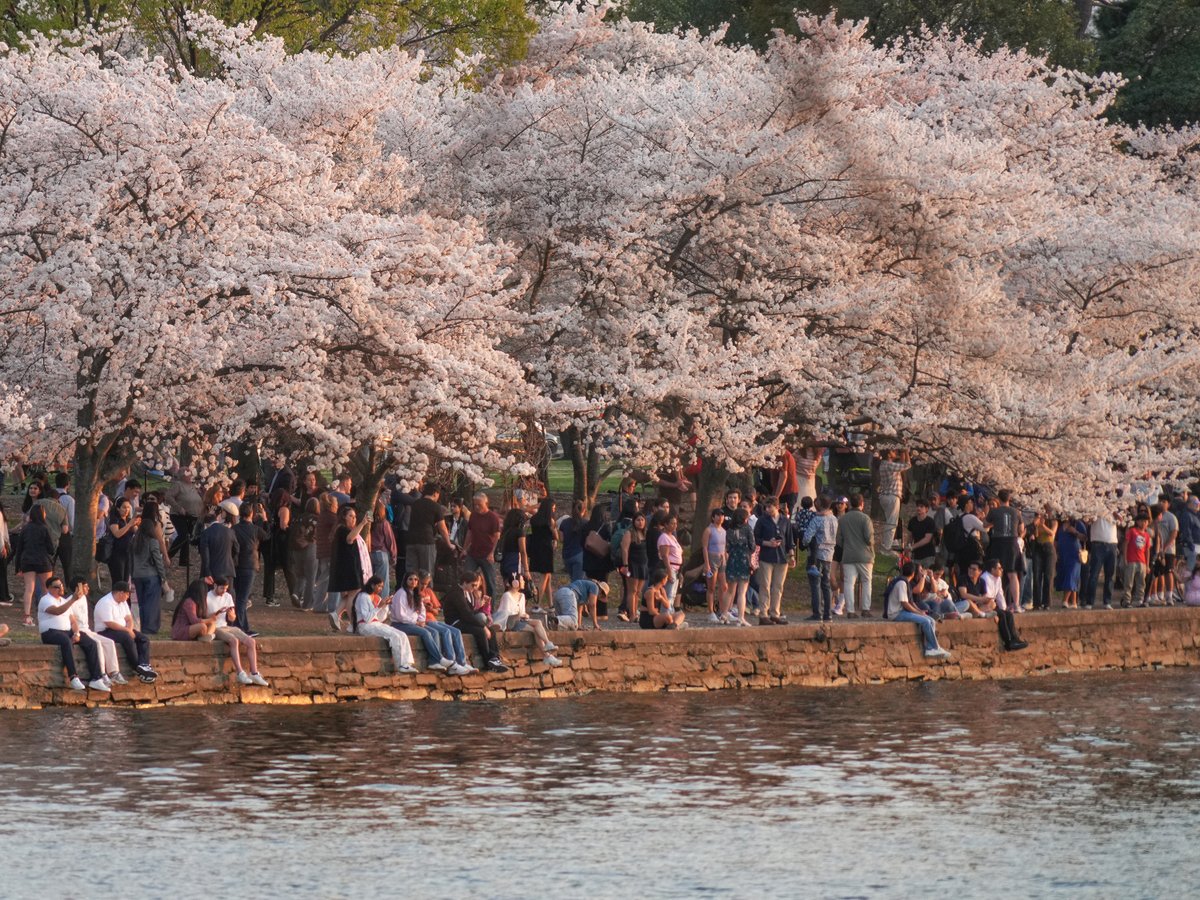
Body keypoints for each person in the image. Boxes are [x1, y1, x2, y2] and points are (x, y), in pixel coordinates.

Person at [388, 572, 468, 674]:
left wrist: (421, 620)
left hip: (413, 623)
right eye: (410, 579)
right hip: (400, 624)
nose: (413, 582)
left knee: (434, 632)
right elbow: (400, 615)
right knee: (425, 633)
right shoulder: (401, 593)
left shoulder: (416, 593)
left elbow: (422, 611)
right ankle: (440, 658)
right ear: (405, 581)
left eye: (415, 580)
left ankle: (433, 662)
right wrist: (415, 622)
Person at [39, 576, 108, 692]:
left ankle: (96, 678)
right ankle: (73, 676)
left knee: (91, 643)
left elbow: (73, 621)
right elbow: (57, 611)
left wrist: (77, 633)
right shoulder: (46, 599)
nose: (60, 588)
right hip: (50, 632)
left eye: (61, 585)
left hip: (67, 631)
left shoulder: (64, 601)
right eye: (56, 587)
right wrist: (73, 600)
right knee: (66, 641)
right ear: (49, 588)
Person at [202, 577, 270, 686]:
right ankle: (240, 672)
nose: (224, 591)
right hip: (215, 627)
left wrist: (231, 615)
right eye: (221, 588)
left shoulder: (228, 596)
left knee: (251, 642)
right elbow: (204, 617)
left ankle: (254, 672)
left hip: (226, 626)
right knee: (234, 641)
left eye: (226, 589)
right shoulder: (207, 597)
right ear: (215, 586)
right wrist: (217, 613)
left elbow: (232, 619)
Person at [441, 573, 508, 672]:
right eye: (473, 585)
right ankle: (487, 660)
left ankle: (494, 658)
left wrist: (482, 609)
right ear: (465, 583)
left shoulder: (463, 592)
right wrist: (483, 627)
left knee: (491, 631)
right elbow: (467, 614)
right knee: (481, 631)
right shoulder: (456, 593)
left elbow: (471, 611)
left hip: (463, 620)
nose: (475, 587)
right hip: (455, 623)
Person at [883, 562, 951, 658]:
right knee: (926, 621)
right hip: (896, 613)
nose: (922, 572)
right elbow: (905, 603)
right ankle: (935, 648)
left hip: (902, 611)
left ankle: (929, 648)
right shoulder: (902, 583)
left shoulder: (905, 582)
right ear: (913, 573)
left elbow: (911, 602)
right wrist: (917, 612)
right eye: (919, 571)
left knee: (930, 619)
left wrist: (920, 611)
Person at [493, 573, 562, 667]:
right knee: (537, 623)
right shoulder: (507, 595)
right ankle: (547, 645)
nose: (523, 582)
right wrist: (520, 615)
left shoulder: (522, 596)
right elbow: (505, 614)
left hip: (520, 621)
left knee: (535, 630)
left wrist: (524, 615)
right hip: (511, 623)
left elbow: (522, 612)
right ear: (515, 582)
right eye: (521, 580)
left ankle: (547, 655)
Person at [353, 575, 418, 675]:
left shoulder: (377, 598)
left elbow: (380, 618)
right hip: (365, 626)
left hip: (376, 624)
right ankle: (400, 664)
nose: (380, 589)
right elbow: (366, 618)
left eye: (382, 587)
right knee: (394, 636)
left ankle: (407, 663)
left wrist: (385, 606)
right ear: (372, 585)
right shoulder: (363, 597)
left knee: (402, 634)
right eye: (378, 586)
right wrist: (379, 606)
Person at [65, 579, 124, 687]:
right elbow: (71, 621)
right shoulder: (70, 601)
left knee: (109, 642)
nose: (88, 588)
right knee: (97, 644)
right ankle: (102, 674)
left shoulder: (84, 598)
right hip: (79, 631)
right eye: (85, 587)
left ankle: (114, 672)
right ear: (78, 588)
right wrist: (76, 633)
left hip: (87, 630)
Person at [94, 581, 157, 682]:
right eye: (127, 594)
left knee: (143, 638)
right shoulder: (105, 602)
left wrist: (130, 629)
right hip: (106, 631)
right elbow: (110, 623)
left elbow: (129, 618)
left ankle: (144, 665)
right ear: (121, 593)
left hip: (124, 629)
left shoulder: (123, 603)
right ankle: (137, 667)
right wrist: (127, 631)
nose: (128, 597)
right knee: (127, 638)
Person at [328, 504, 373, 632]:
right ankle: (353, 624)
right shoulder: (342, 530)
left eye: (355, 517)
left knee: (349, 594)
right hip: (349, 568)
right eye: (350, 516)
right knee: (353, 594)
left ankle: (336, 614)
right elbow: (350, 538)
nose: (353, 519)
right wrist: (363, 523)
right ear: (344, 517)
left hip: (350, 566)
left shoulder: (342, 529)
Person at [130, 504, 171, 635]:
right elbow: (158, 561)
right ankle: (150, 628)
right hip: (151, 575)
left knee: (142, 603)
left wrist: (132, 573)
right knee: (151, 603)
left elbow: (130, 559)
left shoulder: (134, 541)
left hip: (137, 575)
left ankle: (143, 626)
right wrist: (163, 576)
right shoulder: (152, 541)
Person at [229, 501, 269, 633]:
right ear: (251, 514)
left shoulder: (234, 529)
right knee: (242, 599)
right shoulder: (255, 529)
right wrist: (265, 519)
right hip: (250, 565)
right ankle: (240, 627)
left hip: (237, 565)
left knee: (239, 596)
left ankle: (243, 626)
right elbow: (267, 536)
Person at [753, 496, 793, 625]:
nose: (768, 509)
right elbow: (755, 538)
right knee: (765, 585)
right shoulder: (762, 520)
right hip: (766, 556)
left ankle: (775, 612)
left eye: (770, 507)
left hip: (782, 557)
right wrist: (766, 543)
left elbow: (789, 540)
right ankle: (763, 613)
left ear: (777, 507)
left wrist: (791, 556)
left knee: (778, 586)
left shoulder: (785, 521)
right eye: (766, 507)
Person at [835, 493, 875, 617]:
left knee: (848, 583)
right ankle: (865, 608)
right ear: (862, 504)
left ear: (850, 504)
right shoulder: (865, 519)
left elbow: (839, 540)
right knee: (866, 581)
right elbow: (869, 538)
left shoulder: (843, 519)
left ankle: (850, 610)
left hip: (848, 556)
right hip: (865, 556)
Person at [16, 504, 55, 628]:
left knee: (29, 589)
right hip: (43, 561)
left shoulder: (25, 529)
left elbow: (19, 548)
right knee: (46, 589)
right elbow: (51, 549)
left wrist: (17, 567)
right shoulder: (45, 528)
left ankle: (27, 616)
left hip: (27, 561)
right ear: (43, 514)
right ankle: (46, 613)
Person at [986, 489, 1025, 610]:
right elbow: (1021, 528)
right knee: (1012, 574)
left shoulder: (994, 512)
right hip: (1012, 543)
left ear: (998, 499)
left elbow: (984, 525)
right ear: (1009, 499)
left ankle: (996, 603)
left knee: (996, 573)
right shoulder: (1016, 512)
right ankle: (1016, 604)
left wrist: (995, 524)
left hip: (998, 543)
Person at [980, 559, 1029, 651]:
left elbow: (1000, 595)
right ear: (992, 569)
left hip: (993, 604)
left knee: (1008, 614)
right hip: (986, 605)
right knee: (1001, 615)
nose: (1002, 570)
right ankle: (1008, 641)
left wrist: (1004, 608)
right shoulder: (985, 578)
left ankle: (1015, 639)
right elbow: (987, 597)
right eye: (999, 568)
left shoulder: (997, 578)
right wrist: (999, 610)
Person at [803, 496, 838, 621]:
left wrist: (805, 542)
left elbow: (807, 537)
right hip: (829, 555)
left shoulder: (817, 520)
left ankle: (817, 613)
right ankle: (828, 613)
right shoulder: (834, 519)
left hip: (817, 555)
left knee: (815, 584)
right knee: (826, 585)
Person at [405, 484, 452, 577]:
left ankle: (410, 590)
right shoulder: (436, 506)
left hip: (411, 541)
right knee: (427, 573)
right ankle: (426, 591)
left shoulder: (415, 504)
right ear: (435, 493)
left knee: (411, 573)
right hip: (426, 541)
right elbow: (442, 528)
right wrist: (448, 543)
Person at [464, 492, 503, 599]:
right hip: (473, 552)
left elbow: (497, 536)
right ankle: (468, 602)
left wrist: (491, 553)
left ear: (486, 503)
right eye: (475, 505)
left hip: (486, 553)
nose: (477, 507)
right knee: (467, 577)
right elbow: (470, 532)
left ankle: (491, 606)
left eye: (479, 505)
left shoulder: (492, 518)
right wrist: (465, 548)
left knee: (490, 581)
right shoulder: (473, 515)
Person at [722, 507, 755, 626]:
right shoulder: (748, 529)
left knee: (730, 590)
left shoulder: (729, 530)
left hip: (732, 560)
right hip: (744, 560)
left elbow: (728, 547)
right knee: (742, 592)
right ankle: (741, 618)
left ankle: (724, 614)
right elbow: (753, 546)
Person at [198, 499, 240, 588]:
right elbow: (236, 549)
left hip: (213, 570)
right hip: (228, 568)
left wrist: (207, 571)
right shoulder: (230, 531)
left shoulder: (209, 531)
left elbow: (205, 554)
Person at [617, 512, 650, 623]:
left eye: (642, 520)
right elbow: (624, 549)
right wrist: (625, 565)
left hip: (643, 565)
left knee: (638, 591)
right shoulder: (629, 533)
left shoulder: (645, 533)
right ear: (634, 521)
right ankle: (631, 614)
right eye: (638, 520)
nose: (640, 522)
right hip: (632, 565)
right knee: (632, 590)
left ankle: (636, 612)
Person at [527, 497, 559, 611]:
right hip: (546, 549)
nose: (554, 511)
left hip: (536, 548)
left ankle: (550, 604)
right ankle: (537, 604)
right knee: (544, 576)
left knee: (548, 577)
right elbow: (556, 536)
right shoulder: (550, 520)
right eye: (553, 508)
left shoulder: (534, 519)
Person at [876, 450, 910, 554]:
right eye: (892, 451)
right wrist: (907, 452)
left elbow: (900, 465)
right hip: (892, 496)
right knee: (892, 523)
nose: (895, 452)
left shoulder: (884, 465)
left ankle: (886, 544)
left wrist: (903, 454)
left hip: (884, 497)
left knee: (889, 521)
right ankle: (887, 547)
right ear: (888, 454)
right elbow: (907, 465)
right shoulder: (889, 465)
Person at [700, 508, 727, 623]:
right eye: (717, 515)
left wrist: (725, 557)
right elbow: (705, 547)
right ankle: (711, 611)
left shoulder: (724, 530)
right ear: (713, 517)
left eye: (721, 515)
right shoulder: (708, 530)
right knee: (711, 586)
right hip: (712, 558)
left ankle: (722, 610)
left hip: (722, 559)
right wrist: (707, 564)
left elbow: (725, 546)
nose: (720, 517)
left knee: (723, 586)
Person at [1054, 517, 1087, 610]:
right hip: (1064, 555)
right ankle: (1074, 602)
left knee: (1071, 575)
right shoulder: (1060, 526)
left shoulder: (1078, 523)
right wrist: (1056, 552)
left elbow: (1085, 537)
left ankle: (1065, 601)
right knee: (1067, 576)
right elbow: (1056, 540)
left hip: (1074, 555)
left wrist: (1075, 532)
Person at [1029, 509, 1058, 610]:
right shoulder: (1036, 521)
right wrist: (1035, 525)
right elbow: (1035, 535)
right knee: (1037, 575)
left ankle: (1047, 603)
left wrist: (1043, 525)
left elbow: (1052, 533)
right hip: (1038, 547)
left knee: (1048, 576)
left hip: (1049, 548)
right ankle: (1036, 603)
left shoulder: (1053, 521)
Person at [106, 497, 139, 587]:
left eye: (128, 507)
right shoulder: (115, 520)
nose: (126, 510)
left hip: (127, 553)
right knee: (118, 580)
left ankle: (124, 599)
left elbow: (137, 532)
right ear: (118, 508)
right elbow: (117, 534)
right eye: (124, 507)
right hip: (116, 554)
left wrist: (135, 523)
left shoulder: (128, 520)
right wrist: (129, 525)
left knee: (125, 580)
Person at [1123, 512, 1152, 607]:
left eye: (1146, 521)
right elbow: (1126, 544)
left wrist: (1147, 565)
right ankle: (1127, 600)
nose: (1144, 523)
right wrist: (1125, 558)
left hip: (1142, 561)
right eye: (1142, 521)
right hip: (1131, 560)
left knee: (1141, 582)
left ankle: (1139, 600)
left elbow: (1147, 550)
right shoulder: (1132, 531)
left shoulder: (1147, 535)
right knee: (1129, 581)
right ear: (1138, 522)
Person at [369, 497, 397, 595]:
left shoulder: (368, 523)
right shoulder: (384, 523)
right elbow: (390, 540)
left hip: (368, 553)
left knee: (369, 581)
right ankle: (383, 604)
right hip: (381, 553)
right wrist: (394, 556)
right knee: (383, 582)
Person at [656, 514, 685, 609]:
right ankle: (665, 614)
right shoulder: (664, 537)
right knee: (668, 594)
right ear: (666, 524)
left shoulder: (672, 537)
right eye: (672, 523)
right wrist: (669, 571)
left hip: (676, 568)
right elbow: (665, 555)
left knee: (672, 594)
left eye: (676, 523)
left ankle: (670, 614)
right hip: (670, 567)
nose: (675, 525)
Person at [498, 507, 529, 587]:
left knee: (507, 585)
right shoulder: (519, 532)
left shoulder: (505, 531)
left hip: (504, 561)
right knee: (516, 587)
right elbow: (523, 551)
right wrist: (526, 570)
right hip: (515, 561)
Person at [559, 499, 587, 583]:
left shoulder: (564, 522)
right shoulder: (586, 523)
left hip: (566, 556)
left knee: (573, 580)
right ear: (584, 510)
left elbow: (561, 539)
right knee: (578, 583)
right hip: (579, 554)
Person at [906, 500, 938, 569]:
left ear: (926, 509)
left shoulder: (930, 522)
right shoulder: (912, 521)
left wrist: (912, 547)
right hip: (916, 555)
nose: (918, 508)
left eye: (921, 506)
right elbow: (910, 537)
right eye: (917, 506)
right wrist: (908, 548)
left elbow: (927, 539)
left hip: (928, 555)